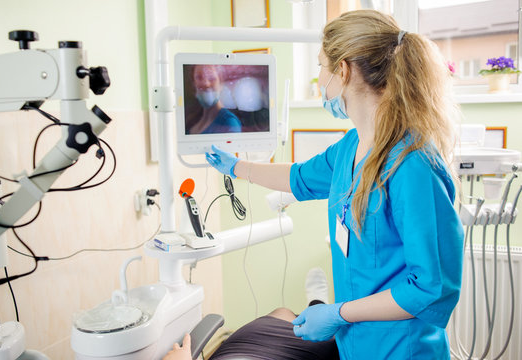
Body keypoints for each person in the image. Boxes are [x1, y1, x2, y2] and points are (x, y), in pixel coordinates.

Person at [205, 9, 464, 360]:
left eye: (320, 67)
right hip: (356, 344)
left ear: (342, 70)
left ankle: (318, 297)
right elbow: (297, 177)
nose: (319, 79)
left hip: (402, 349)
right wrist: (238, 167)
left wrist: (336, 312)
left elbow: (429, 286)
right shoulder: (352, 147)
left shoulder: (412, 164)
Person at [163, 268, 338, 360]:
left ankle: (317, 308)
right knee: (336, 341)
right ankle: (318, 304)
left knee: (281, 313)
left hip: (238, 353)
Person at [187, 65, 242, 134]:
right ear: (194, 84)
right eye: (199, 77)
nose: (206, 83)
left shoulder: (229, 123)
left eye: (211, 78)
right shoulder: (192, 121)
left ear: (221, 83)